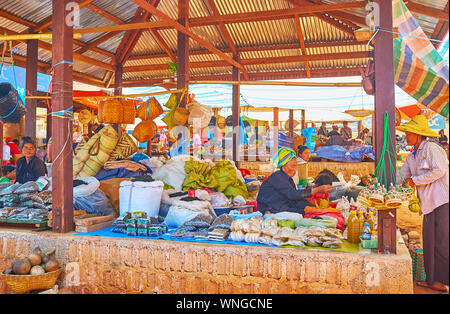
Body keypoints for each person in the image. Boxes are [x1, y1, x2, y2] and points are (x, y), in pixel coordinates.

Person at [397, 115, 449, 293]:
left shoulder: (432, 149)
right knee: (429, 241)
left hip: (442, 201)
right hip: (428, 204)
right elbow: (401, 175)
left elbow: (440, 170)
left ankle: (442, 282)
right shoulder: (412, 155)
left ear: (418, 134)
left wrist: (416, 180)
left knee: (441, 243)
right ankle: (431, 279)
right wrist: (384, 182)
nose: (406, 136)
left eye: (409, 133)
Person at [257, 147, 332, 215]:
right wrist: (317, 190)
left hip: (281, 205)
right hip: (270, 207)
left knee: (305, 209)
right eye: (293, 166)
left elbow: (295, 197)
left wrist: (310, 203)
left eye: (295, 166)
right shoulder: (278, 176)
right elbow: (293, 195)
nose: (295, 170)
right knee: (301, 213)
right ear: (284, 166)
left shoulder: (288, 179)